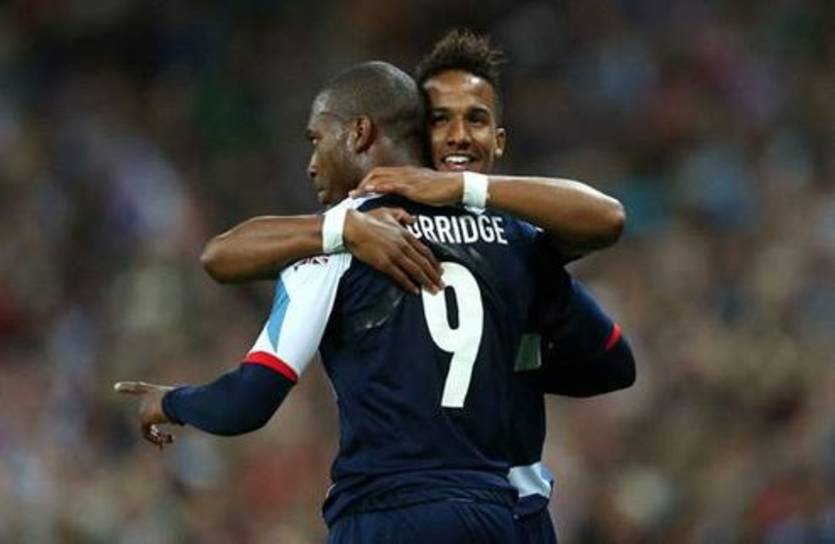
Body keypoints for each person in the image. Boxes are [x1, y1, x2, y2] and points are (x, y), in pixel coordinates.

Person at [116, 61, 610, 543]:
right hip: (505, 516)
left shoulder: (336, 241)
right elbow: (614, 363)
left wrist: (169, 401)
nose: (311, 163)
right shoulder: (510, 236)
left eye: (316, 139)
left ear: (358, 133)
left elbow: (247, 400)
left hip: (387, 514)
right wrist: (519, 361)